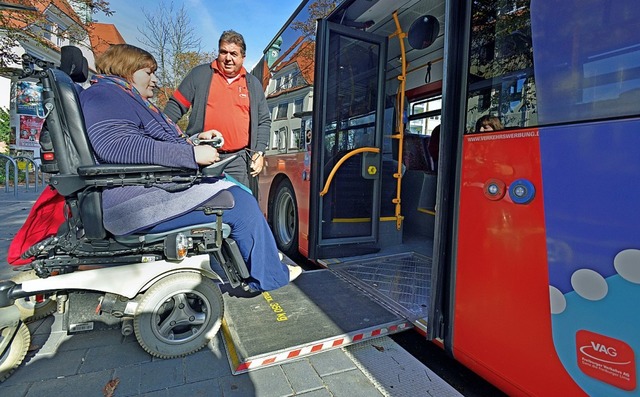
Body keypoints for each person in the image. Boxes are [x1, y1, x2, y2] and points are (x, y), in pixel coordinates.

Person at [80, 44, 301, 291]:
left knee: (238, 191)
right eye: (148, 73)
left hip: (146, 188)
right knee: (241, 205)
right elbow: (117, 145)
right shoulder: (106, 96)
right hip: (135, 203)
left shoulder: (118, 95)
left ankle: (264, 260)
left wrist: (196, 141)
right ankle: (270, 277)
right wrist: (191, 153)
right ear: (127, 70)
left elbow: (143, 141)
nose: (155, 80)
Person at [164, 30, 269, 195]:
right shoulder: (199, 75)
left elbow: (264, 121)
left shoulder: (253, 84)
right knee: (203, 207)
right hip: (203, 157)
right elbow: (175, 107)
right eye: (223, 52)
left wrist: (259, 152)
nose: (228, 58)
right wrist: (163, 140)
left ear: (243, 57)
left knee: (238, 205)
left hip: (238, 161)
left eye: (234, 54)